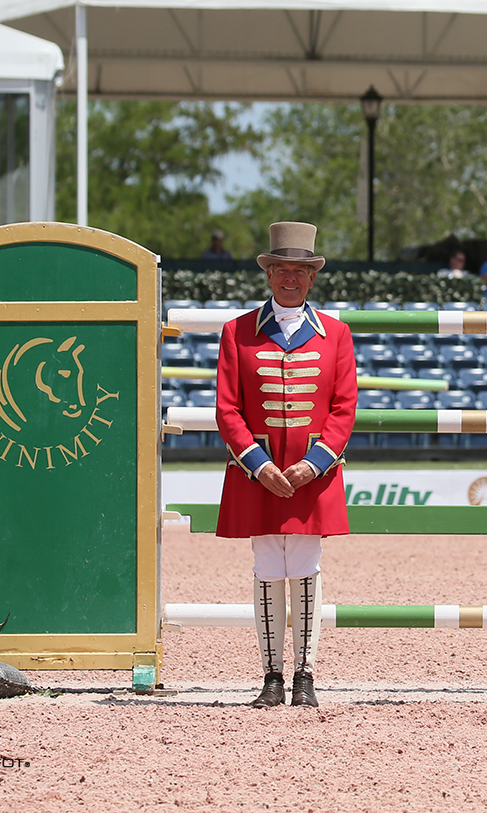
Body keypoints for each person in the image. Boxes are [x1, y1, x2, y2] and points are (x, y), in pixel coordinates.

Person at [214, 221, 357, 708]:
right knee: (267, 567)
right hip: (260, 476)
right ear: (268, 274)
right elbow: (227, 408)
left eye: (299, 270)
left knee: (307, 567)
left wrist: (314, 464)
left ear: (312, 277)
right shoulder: (237, 332)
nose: (289, 278)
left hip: (311, 478)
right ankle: (271, 676)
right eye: (281, 269)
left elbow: (344, 408)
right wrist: (259, 464)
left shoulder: (336, 334)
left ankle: (306, 675)